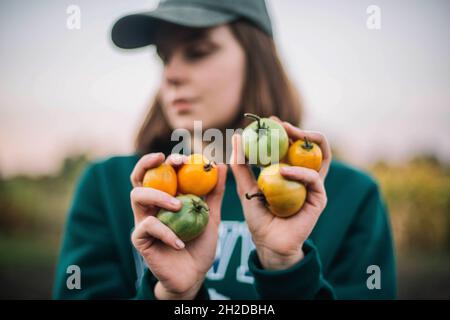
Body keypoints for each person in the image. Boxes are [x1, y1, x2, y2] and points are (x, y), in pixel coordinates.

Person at [53, 0, 396, 299]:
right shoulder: (111, 187)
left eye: (197, 52)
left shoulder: (349, 196)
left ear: (257, 59)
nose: (170, 74)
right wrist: (172, 295)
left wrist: (286, 268)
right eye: (164, 56)